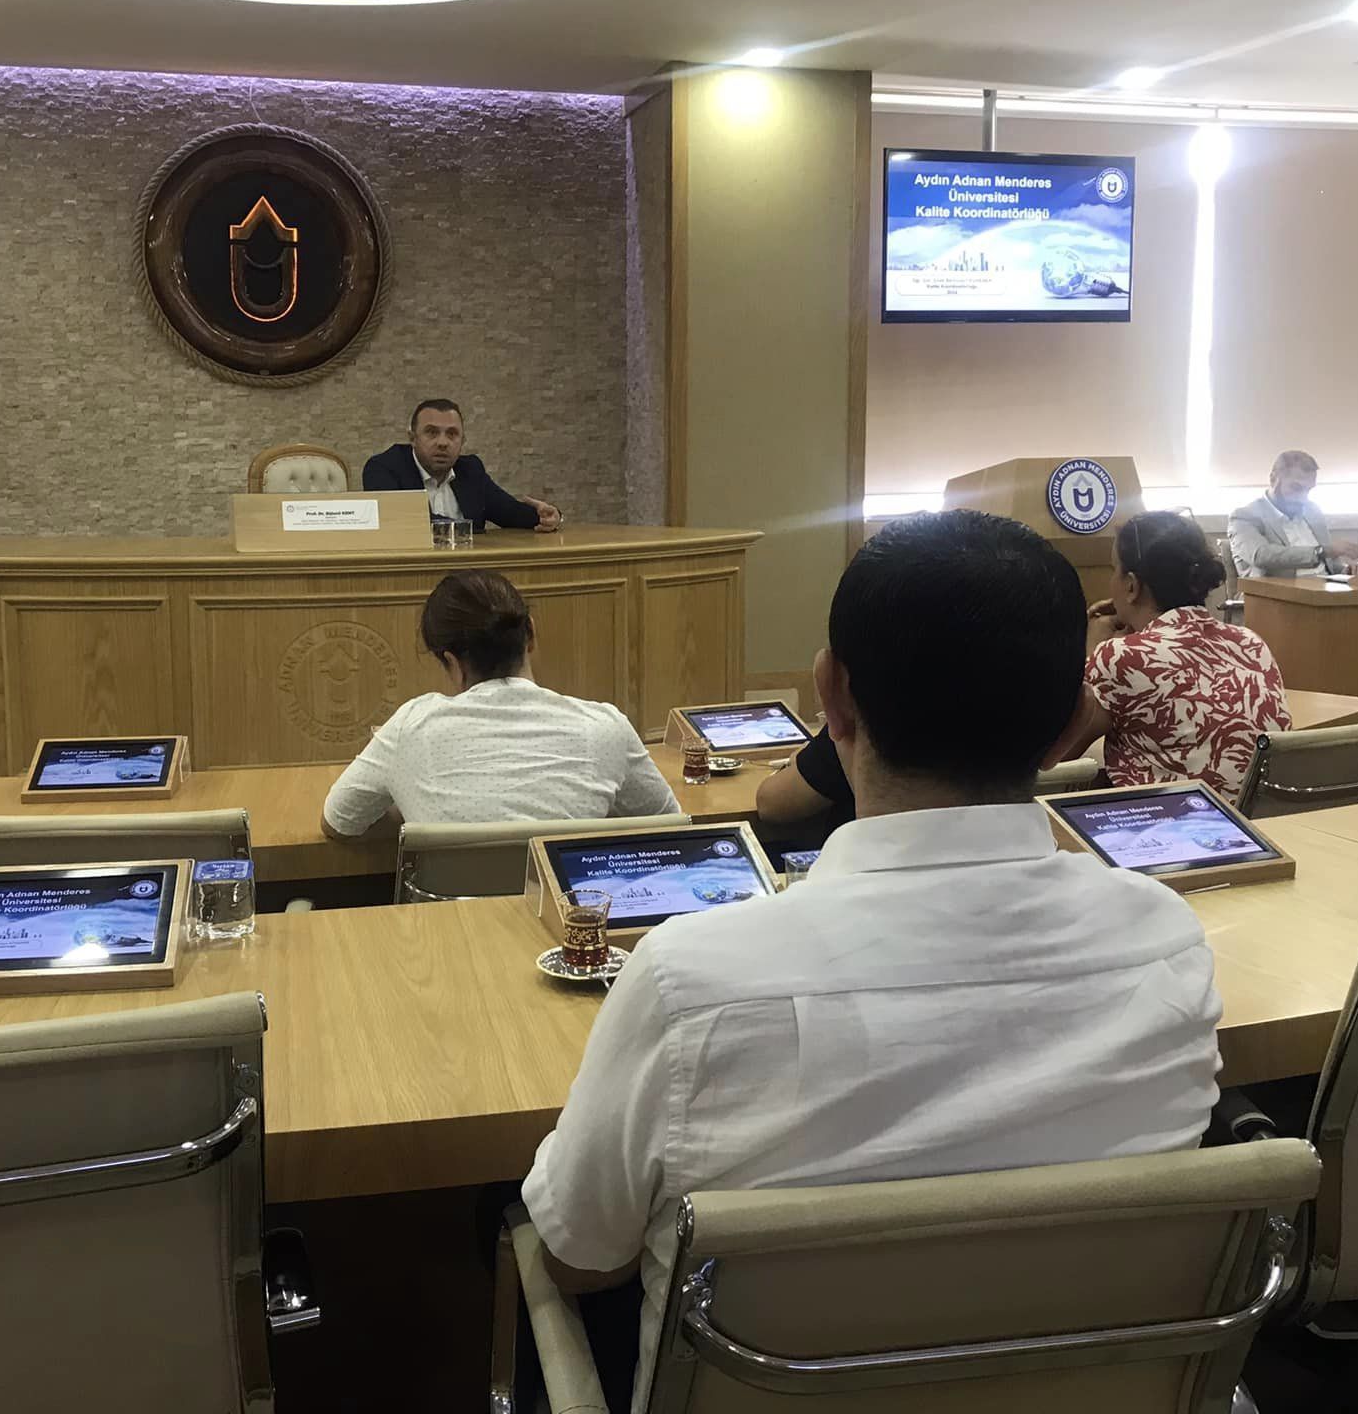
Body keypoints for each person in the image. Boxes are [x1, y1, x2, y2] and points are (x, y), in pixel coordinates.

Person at [520, 512, 1223, 1414]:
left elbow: (582, 1256)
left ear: (833, 697)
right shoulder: (1166, 943)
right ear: (1066, 726)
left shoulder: (689, 981)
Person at [321, 570, 675, 836]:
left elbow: (339, 822)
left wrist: (410, 804)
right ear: (531, 634)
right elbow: (670, 824)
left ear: (452, 663)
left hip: (449, 915)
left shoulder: (409, 726)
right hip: (566, 914)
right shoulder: (605, 726)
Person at [1052, 511, 1291, 802]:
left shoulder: (1121, 657)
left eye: (1114, 569)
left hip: (1168, 825)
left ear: (1131, 586)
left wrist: (1090, 654)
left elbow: (1056, 755)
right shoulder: (1250, 643)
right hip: (1256, 823)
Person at [363, 398, 562, 532]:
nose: (442, 442)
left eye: (452, 434)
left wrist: (548, 516)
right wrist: (467, 528)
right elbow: (407, 522)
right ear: (413, 438)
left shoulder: (470, 470)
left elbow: (509, 513)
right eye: (432, 433)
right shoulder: (384, 468)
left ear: (462, 441)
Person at [1227, 449, 1358, 578]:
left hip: (1324, 590)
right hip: (1277, 593)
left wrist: (1345, 571)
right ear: (1273, 479)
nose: (1302, 498)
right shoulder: (1244, 516)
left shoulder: (1312, 511)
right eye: (1296, 488)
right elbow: (1260, 556)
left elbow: (1330, 564)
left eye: (1308, 490)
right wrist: (1322, 552)